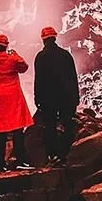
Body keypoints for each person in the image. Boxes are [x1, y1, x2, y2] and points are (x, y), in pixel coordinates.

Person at [0, 33, 34, 171]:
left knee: (1, 131)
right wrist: (15, 55)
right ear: (6, 46)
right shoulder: (12, 60)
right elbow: (24, 67)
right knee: (18, 129)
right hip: (13, 97)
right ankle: (20, 161)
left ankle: (0, 164)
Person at [34, 27, 79, 164]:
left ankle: (52, 155)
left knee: (50, 126)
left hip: (48, 98)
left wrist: (37, 98)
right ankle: (67, 154)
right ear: (55, 37)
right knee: (68, 124)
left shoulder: (41, 57)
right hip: (65, 96)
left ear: (43, 39)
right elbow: (73, 77)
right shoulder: (65, 55)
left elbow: (39, 80)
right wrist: (75, 97)